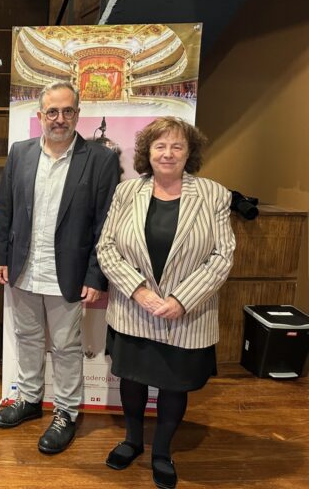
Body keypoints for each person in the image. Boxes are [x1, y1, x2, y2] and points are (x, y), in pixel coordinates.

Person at [96, 117, 235, 489]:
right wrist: (138, 289)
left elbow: (222, 255)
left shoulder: (214, 195)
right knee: (133, 379)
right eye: (160, 146)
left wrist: (181, 300)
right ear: (148, 152)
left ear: (189, 153)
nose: (168, 153)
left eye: (177, 146)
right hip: (133, 309)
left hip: (185, 316)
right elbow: (106, 247)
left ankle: (161, 451)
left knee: (174, 385)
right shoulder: (127, 192)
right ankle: (131, 440)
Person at [0, 80, 120, 454]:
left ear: (77, 115)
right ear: (40, 116)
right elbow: (5, 210)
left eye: (67, 112)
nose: (59, 119)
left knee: (65, 346)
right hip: (24, 268)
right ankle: (29, 400)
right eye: (52, 112)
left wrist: (96, 275)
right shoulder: (20, 152)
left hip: (70, 273)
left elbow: (105, 224)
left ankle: (65, 411)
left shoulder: (101, 160)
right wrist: (0, 256)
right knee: (27, 338)